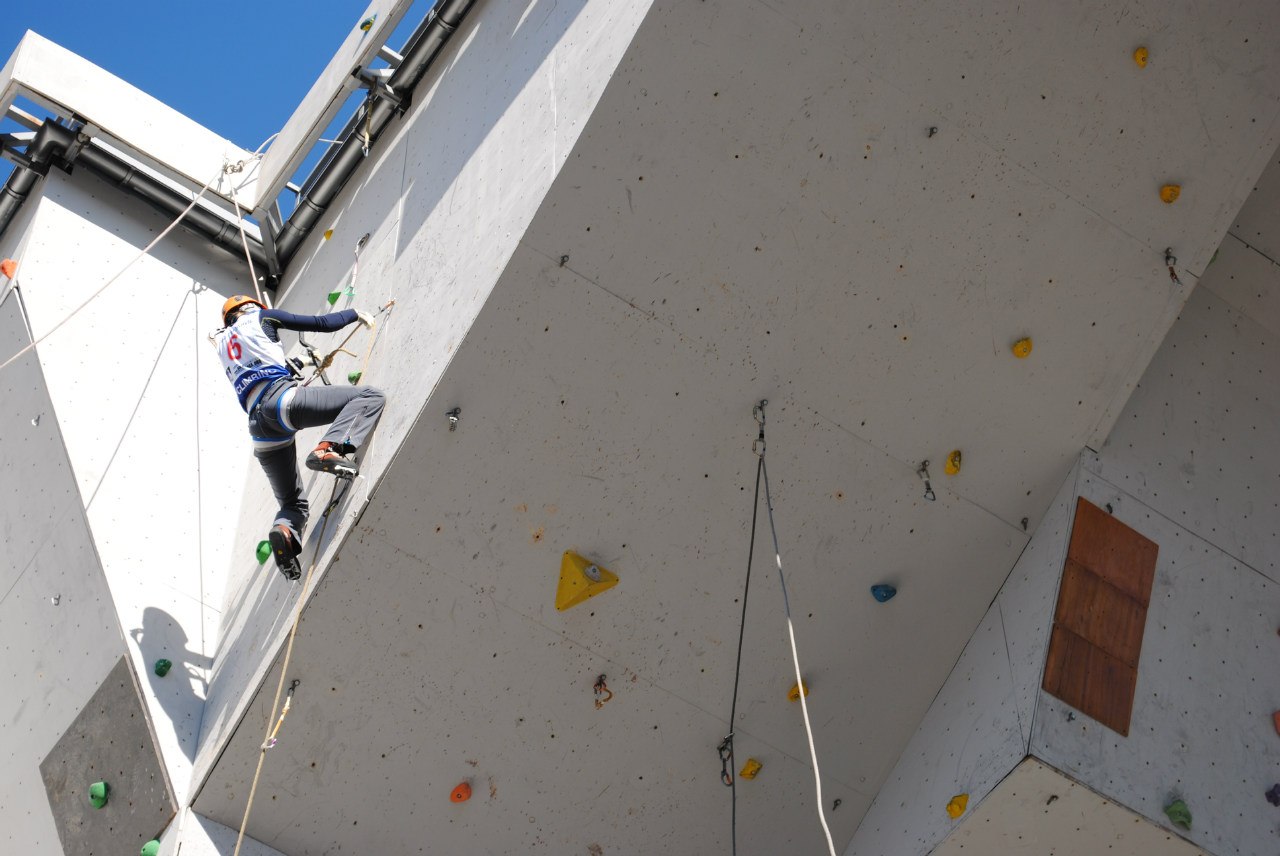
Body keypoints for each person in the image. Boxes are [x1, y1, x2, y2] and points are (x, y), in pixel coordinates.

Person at [213, 295, 386, 581]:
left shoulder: (222, 345)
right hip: (282, 402)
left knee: (292, 504)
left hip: (259, 428)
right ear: (251, 307)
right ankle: (327, 449)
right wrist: (355, 313)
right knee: (369, 396)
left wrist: (299, 362)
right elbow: (321, 323)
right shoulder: (262, 318)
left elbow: (257, 367)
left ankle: (285, 534)